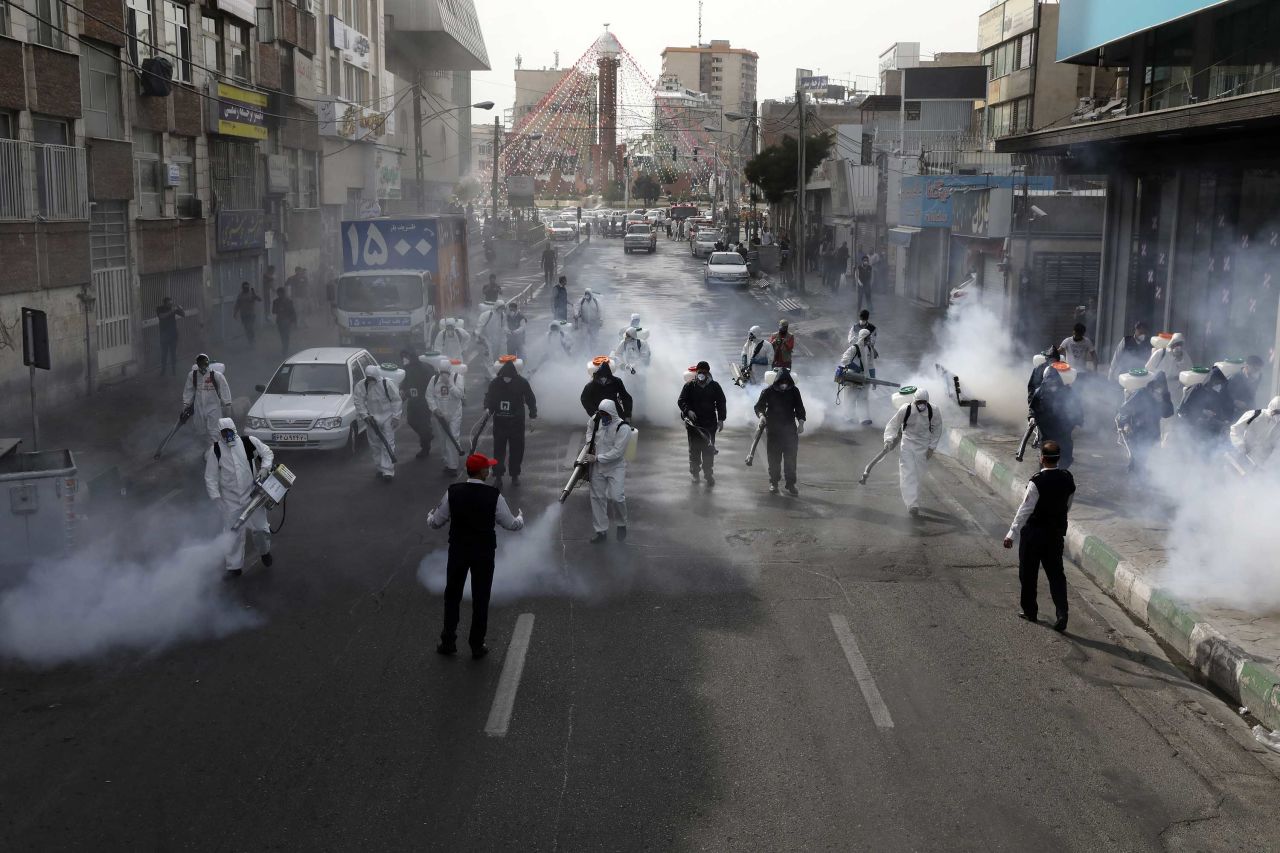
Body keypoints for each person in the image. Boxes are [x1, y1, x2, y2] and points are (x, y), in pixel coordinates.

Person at [428, 453, 525, 659]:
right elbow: (510, 524)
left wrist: (430, 516)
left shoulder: (453, 492)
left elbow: (437, 521)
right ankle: (476, 645)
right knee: (481, 598)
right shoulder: (494, 496)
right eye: (488, 468)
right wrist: (520, 519)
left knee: (452, 596)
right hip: (483, 553)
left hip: (458, 550)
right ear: (482, 472)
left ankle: (448, 641)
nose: (490, 470)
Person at [1003, 440, 1075, 632]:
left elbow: (1025, 509)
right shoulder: (1068, 478)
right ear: (1058, 459)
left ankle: (1030, 611)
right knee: (1056, 575)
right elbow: (1068, 505)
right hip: (1055, 534)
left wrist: (1012, 533)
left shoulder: (1036, 481)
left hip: (1034, 534)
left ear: (1042, 458)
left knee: (1028, 573)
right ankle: (1062, 613)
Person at [204, 417, 274, 578]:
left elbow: (267, 453)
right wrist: (216, 498)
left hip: (253, 496)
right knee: (233, 533)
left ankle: (264, 552)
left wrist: (264, 468)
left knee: (261, 530)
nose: (227, 436)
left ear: (234, 430)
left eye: (229, 432)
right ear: (220, 434)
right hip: (231, 501)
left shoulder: (249, 441)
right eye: (224, 433)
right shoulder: (216, 451)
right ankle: (234, 567)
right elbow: (211, 477)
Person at [883, 387, 942, 515]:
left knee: (919, 474)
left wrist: (932, 447)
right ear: (914, 401)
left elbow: (937, 429)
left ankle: (913, 498)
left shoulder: (934, 410)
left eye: (924, 403)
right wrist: (888, 440)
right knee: (907, 473)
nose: (921, 405)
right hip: (908, 444)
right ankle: (912, 504)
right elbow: (893, 425)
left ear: (927, 402)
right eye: (919, 402)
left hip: (923, 445)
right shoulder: (906, 409)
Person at [484, 356, 537, 490]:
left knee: (517, 451)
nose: (506, 380)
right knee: (498, 451)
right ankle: (498, 476)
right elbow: (489, 397)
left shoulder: (522, 383)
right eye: (504, 377)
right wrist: (487, 408)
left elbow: (531, 399)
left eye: (508, 378)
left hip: (516, 424)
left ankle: (514, 475)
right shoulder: (495, 383)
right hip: (500, 424)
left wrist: (532, 417)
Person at [583, 399, 633, 543]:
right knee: (597, 498)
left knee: (617, 497)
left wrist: (596, 458)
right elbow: (589, 428)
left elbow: (617, 453)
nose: (603, 418)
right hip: (597, 466)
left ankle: (621, 523)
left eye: (606, 415)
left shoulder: (622, 428)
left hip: (615, 467)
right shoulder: (597, 419)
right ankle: (601, 531)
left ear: (612, 413)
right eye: (601, 414)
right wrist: (589, 443)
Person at [754, 367, 806, 495]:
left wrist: (801, 423)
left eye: (786, 382)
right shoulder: (768, 391)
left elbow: (800, 408)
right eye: (781, 381)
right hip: (773, 431)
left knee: (790, 459)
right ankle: (774, 482)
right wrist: (761, 416)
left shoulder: (794, 391)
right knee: (773, 459)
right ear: (777, 381)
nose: (784, 384)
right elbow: (759, 406)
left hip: (790, 431)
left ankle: (791, 484)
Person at [678, 361, 727, 486]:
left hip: (709, 423)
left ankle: (708, 473)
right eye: (699, 372)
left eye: (704, 373)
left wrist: (721, 419)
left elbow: (721, 402)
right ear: (696, 372)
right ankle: (695, 473)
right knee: (694, 450)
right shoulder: (689, 386)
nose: (701, 375)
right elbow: (681, 400)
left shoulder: (714, 386)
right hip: (693, 425)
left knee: (708, 450)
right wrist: (688, 411)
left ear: (708, 373)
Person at [1115, 370, 1173, 473]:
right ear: (1153, 385)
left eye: (1161, 387)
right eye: (1157, 386)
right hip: (1137, 428)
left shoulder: (1164, 396)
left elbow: (1168, 414)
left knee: (1146, 455)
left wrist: (1163, 402)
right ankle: (1134, 472)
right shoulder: (1142, 392)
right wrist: (1126, 423)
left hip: (1153, 430)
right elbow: (1125, 409)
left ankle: (1139, 474)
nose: (1159, 389)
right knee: (1136, 454)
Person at [353, 364, 402, 481]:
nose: (370, 380)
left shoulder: (387, 384)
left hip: (387, 418)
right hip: (372, 419)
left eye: (372, 377)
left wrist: (396, 417)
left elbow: (396, 400)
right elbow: (358, 401)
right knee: (375, 445)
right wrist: (365, 416)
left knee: (388, 443)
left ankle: (388, 471)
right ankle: (380, 468)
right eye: (368, 377)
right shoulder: (362, 385)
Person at [1030, 365, 1083, 469]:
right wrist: (1031, 417)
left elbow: (1077, 408)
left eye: (1054, 381)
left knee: (1066, 456)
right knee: (1046, 455)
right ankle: (1044, 474)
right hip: (1045, 429)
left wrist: (1078, 422)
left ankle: (1061, 472)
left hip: (1063, 428)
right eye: (1049, 381)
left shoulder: (1068, 391)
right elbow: (1033, 408)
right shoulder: (1039, 392)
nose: (1052, 385)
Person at [427, 358, 467, 475]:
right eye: (442, 372)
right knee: (443, 439)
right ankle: (447, 462)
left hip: (454, 413)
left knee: (452, 437)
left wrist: (449, 384)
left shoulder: (457, 378)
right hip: (440, 415)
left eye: (446, 371)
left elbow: (459, 394)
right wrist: (434, 409)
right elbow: (429, 396)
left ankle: (452, 466)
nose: (444, 374)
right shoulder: (434, 380)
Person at [182, 353, 233, 444]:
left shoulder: (216, 375)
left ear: (208, 363)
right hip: (198, 407)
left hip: (213, 407)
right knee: (200, 429)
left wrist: (227, 403)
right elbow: (189, 390)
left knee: (214, 430)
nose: (202, 367)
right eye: (200, 364)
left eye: (204, 363)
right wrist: (186, 404)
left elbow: (224, 389)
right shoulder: (193, 375)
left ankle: (215, 449)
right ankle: (203, 447)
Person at [1177, 365, 1234, 441]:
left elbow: (1218, 412)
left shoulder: (1215, 394)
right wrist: (1202, 411)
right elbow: (1184, 408)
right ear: (1212, 381)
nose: (1218, 385)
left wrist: (1224, 420)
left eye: (1220, 383)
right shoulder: (1196, 389)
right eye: (1217, 382)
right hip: (1192, 426)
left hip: (1207, 427)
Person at [401, 349, 437, 459]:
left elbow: (431, 382)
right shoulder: (407, 369)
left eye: (405, 357)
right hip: (413, 401)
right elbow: (405, 382)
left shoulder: (423, 368)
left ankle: (425, 447)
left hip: (424, 401)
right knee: (411, 421)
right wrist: (403, 389)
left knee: (423, 424)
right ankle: (427, 435)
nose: (403, 360)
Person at [1230, 396, 1280, 470]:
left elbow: (1276, 448)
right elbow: (1235, 429)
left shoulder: (1278, 427)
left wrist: (1267, 466)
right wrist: (1240, 446)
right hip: (1242, 457)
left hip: (1258, 463)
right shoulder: (1255, 414)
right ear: (1273, 408)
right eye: (1278, 412)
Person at [837, 329, 875, 425]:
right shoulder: (854, 348)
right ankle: (848, 417)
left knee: (863, 398)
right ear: (863, 337)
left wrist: (873, 379)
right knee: (850, 398)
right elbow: (844, 360)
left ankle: (864, 418)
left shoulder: (870, 349)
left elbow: (871, 365)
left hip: (865, 377)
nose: (869, 339)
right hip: (853, 377)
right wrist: (856, 368)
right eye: (867, 337)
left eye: (869, 337)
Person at [1146, 333, 1190, 400]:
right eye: (1177, 344)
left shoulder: (1185, 356)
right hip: (1159, 390)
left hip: (1176, 392)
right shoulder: (1161, 353)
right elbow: (1148, 368)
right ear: (1172, 343)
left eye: (1180, 344)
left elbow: (1190, 372)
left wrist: (1180, 361)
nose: (1178, 347)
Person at [155, 297, 185, 377]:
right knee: (164, 354)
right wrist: (172, 311)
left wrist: (181, 309)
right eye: (169, 303)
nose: (170, 305)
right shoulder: (160, 308)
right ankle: (163, 371)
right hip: (164, 335)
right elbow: (161, 316)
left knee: (173, 354)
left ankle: (174, 371)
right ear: (164, 303)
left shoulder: (172, 309)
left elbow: (183, 315)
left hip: (173, 335)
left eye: (171, 303)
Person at [848, 310, 879, 377]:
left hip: (867, 350)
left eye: (864, 319)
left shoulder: (872, 328)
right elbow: (850, 339)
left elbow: (873, 340)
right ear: (859, 318)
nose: (862, 321)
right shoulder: (854, 327)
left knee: (867, 364)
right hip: (856, 348)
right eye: (862, 319)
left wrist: (872, 349)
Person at [272, 287, 297, 356]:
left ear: (283, 293)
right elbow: (273, 311)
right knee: (282, 335)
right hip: (280, 321)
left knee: (286, 335)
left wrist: (294, 321)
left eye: (281, 293)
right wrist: (279, 309)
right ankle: (284, 346)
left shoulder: (289, 301)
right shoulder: (276, 301)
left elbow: (293, 311)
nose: (280, 295)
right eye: (279, 293)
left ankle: (285, 348)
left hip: (287, 321)